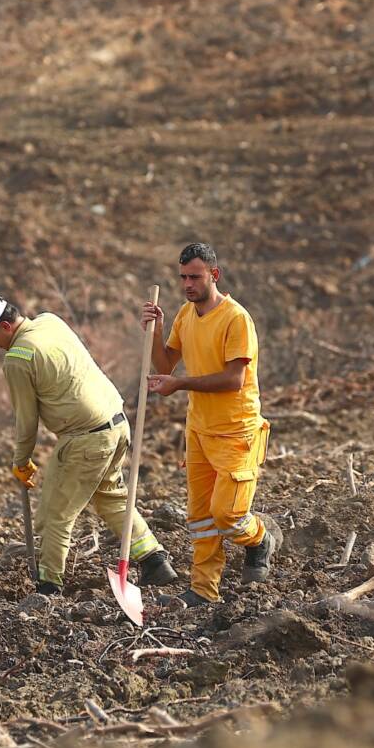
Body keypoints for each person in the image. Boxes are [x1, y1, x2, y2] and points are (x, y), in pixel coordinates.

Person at [0, 296, 177, 596]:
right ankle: (155, 561)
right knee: (111, 498)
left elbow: (26, 421)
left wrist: (21, 461)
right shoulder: (50, 320)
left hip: (85, 438)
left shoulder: (18, 357)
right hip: (117, 424)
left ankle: (49, 586)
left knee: (55, 514)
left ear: (5, 326)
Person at [142, 243, 278, 608]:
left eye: (195, 277)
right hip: (198, 430)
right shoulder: (186, 315)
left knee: (228, 514)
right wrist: (154, 330)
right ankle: (204, 589)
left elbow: (234, 379)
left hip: (237, 430)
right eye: (183, 277)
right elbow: (165, 364)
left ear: (213, 275)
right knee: (200, 517)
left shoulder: (236, 318)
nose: (187, 284)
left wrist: (181, 385)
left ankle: (259, 539)